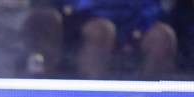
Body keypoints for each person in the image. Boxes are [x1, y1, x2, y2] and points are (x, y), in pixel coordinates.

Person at [21, 0, 177, 78]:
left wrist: (138, 28)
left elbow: (148, 6)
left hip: (130, 20)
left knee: (162, 37)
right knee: (101, 30)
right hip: (80, 17)